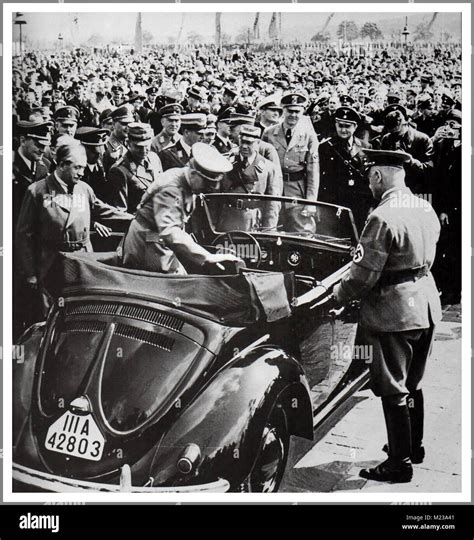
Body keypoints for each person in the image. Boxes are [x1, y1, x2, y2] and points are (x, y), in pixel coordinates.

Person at [332, 149, 442, 483]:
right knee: (414, 380)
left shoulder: (382, 216)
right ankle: (415, 446)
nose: (369, 184)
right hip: (424, 301)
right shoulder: (424, 206)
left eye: (369, 178)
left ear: (378, 176)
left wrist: (338, 297)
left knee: (393, 386)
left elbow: (363, 273)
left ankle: (399, 463)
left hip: (393, 310)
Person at [15, 141, 132, 337]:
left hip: (82, 262)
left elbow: (102, 210)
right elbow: (23, 235)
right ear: (61, 165)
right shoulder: (37, 191)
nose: (81, 172)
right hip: (51, 264)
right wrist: (30, 273)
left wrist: (135, 218)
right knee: (49, 321)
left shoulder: (83, 189)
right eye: (77, 167)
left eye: (83, 168)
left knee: (82, 317)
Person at [122, 142, 241, 274]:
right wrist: (208, 257)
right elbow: (170, 231)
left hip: (158, 240)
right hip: (147, 245)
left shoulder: (183, 177)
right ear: (195, 173)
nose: (211, 188)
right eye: (207, 183)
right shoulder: (172, 189)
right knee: (177, 286)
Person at [318, 106, 373, 232]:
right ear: (335, 125)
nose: (343, 130)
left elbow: (369, 178)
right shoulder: (325, 147)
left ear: (355, 127)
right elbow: (321, 179)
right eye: (340, 125)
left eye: (347, 126)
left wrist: (371, 204)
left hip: (358, 204)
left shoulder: (366, 147)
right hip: (333, 202)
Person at [218, 125, 282, 232]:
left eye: (249, 143)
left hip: (253, 222)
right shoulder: (226, 162)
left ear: (257, 143)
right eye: (242, 141)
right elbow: (216, 196)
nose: (244, 146)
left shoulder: (268, 168)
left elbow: (273, 204)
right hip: (228, 219)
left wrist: (269, 231)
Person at [262, 91, 320, 202]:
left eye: (297, 112)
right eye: (290, 111)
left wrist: (311, 201)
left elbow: (313, 171)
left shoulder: (309, 135)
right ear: (283, 111)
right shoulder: (268, 133)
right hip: (273, 189)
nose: (293, 115)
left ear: (302, 112)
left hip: (297, 189)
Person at [106, 123, 163, 213]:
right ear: (128, 143)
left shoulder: (154, 158)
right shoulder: (119, 171)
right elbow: (120, 212)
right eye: (138, 147)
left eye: (147, 146)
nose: (144, 151)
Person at [380, 108, 434, 194]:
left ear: (405, 124)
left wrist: (410, 160)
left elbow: (429, 168)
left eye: (396, 132)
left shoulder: (422, 139)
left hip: (416, 187)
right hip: (393, 187)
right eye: (391, 132)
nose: (394, 136)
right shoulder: (387, 138)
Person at [13, 120, 52, 228]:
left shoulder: (45, 165)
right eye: (38, 145)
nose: (42, 150)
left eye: (45, 146)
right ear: (23, 140)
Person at [74, 126, 110, 203]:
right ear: (83, 148)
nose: (98, 152)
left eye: (100, 147)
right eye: (93, 150)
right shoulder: (76, 168)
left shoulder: (99, 164)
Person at [102, 106, 134, 173]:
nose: (128, 128)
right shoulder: (105, 147)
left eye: (130, 124)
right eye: (124, 124)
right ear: (113, 124)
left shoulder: (131, 143)